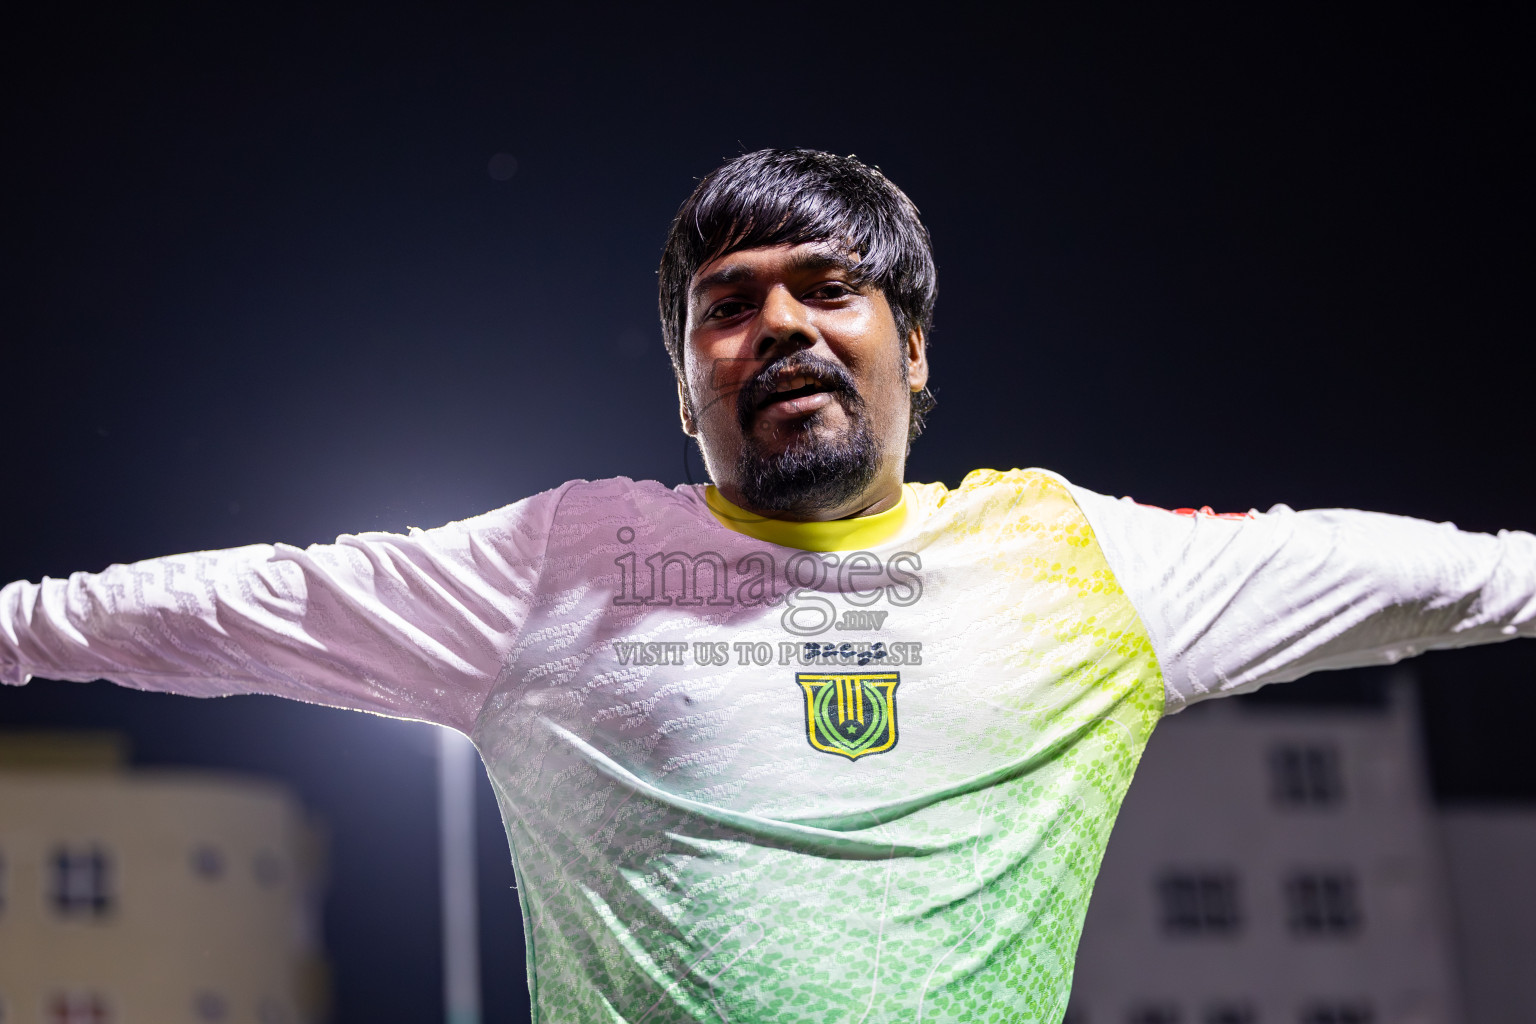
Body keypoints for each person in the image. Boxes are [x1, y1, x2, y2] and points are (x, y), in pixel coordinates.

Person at [2, 148, 1532, 1023]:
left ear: (911, 349)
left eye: (829, 287)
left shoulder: (1082, 565)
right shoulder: (563, 565)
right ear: (685, 391)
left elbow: (1428, 574)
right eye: (727, 306)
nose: (781, 325)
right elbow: (254, 598)